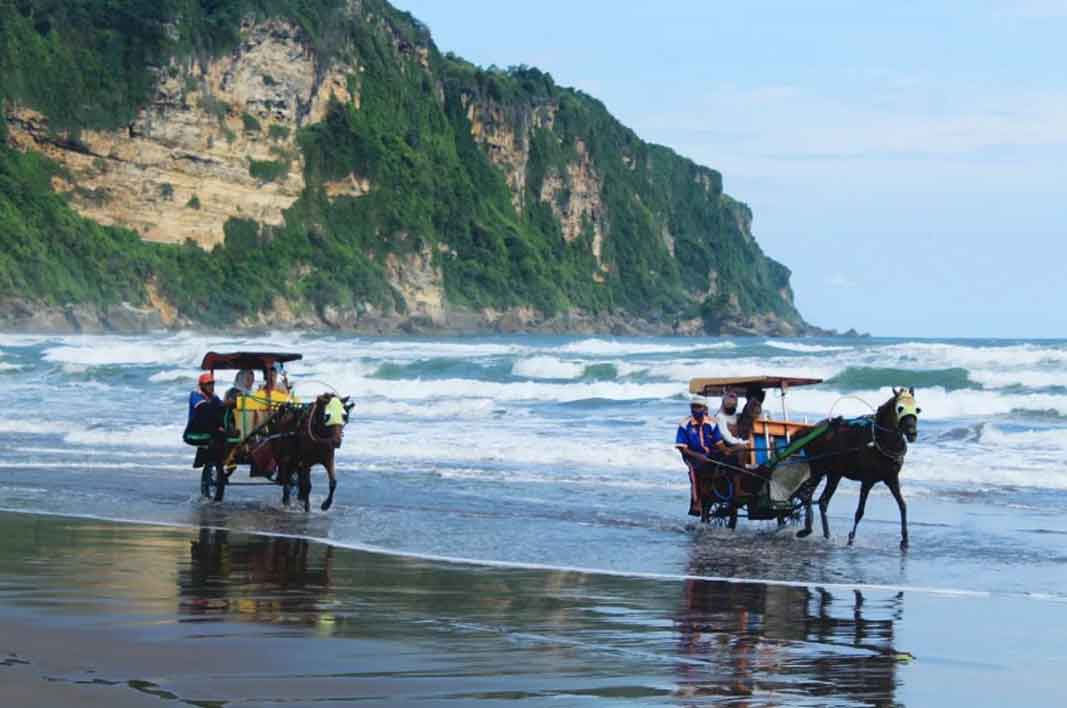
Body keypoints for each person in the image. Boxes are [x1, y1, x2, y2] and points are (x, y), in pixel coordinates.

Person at [675, 395, 729, 516]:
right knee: (695, 473)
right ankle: (696, 502)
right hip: (691, 456)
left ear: (705, 409)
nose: (695, 409)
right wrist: (697, 456)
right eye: (693, 407)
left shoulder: (712, 423)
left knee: (728, 464)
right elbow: (681, 448)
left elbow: (718, 442)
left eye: (698, 407)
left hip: (709, 454)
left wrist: (727, 451)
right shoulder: (684, 424)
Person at [184, 372, 226, 452]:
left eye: (212, 384)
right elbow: (204, 408)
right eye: (208, 384)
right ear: (202, 385)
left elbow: (222, 408)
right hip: (193, 431)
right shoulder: (195, 394)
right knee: (209, 411)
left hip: (208, 428)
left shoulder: (213, 396)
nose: (211, 386)